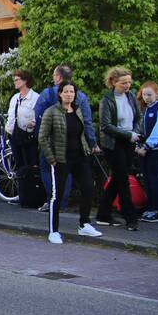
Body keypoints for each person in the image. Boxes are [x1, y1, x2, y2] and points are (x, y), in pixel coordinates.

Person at [39, 81, 103, 243]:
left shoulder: (77, 110)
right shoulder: (51, 112)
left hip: (80, 157)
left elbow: (82, 132)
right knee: (57, 195)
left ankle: (84, 223)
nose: (69, 94)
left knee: (88, 188)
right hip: (61, 159)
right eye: (66, 91)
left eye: (72, 92)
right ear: (60, 94)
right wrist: (51, 158)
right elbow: (43, 138)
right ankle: (53, 231)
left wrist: (88, 147)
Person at [34, 65, 98, 211]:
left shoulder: (47, 93)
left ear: (58, 77)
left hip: (51, 141)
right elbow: (87, 121)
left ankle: (52, 201)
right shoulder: (80, 96)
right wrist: (92, 142)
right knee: (66, 171)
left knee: (47, 169)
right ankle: (62, 202)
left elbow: (39, 117)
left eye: (54, 75)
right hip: (74, 142)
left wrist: (40, 139)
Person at [96, 67, 143, 230]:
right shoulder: (106, 100)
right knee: (123, 179)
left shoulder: (131, 96)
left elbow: (139, 117)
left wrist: (135, 132)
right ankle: (130, 218)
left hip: (129, 141)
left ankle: (103, 214)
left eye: (129, 82)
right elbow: (106, 126)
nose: (127, 85)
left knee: (118, 177)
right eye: (123, 83)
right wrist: (128, 134)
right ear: (113, 82)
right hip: (113, 144)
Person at [137, 82, 158, 223]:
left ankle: (157, 210)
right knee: (147, 179)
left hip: (156, 150)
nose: (146, 97)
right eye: (144, 94)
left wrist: (147, 146)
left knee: (154, 178)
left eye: (149, 94)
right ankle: (149, 207)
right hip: (143, 150)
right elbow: (139, 129)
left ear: (157, 94)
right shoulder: (144, 109)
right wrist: (138, 146)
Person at [5, 70, 40, 179]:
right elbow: (10, 116)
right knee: (19, 166)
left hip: (28, 137)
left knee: (30, 166)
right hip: (14, 136)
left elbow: (39, 115)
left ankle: (31, 187)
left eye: (17, 80)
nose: (14, 82)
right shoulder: (15, 98)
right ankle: (22, 187)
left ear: (25, 81)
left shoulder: (36, 98)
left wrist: (34, 122)